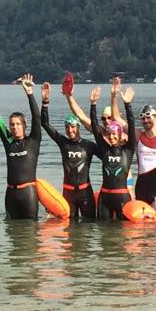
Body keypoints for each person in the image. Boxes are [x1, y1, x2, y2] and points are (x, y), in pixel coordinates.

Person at [109, 80, 156, 220]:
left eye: (148, 117)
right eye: (142, 119)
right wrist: (114, 95)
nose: (145, 121)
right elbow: (116, 118)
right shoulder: (138, 136)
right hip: (142, 188)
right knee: (141, 229)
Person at [41, 81, 99, 219]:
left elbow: (108, 157)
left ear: (78, 127)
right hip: (68, 193)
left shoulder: (89, 146)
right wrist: (45, 102)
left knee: (88, 228)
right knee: (69, 231)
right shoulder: (63, 143)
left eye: (73, 126)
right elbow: (45, 124)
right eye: (67, 127)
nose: (70, 130)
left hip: (85, 192)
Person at [0, 73, 42, 219]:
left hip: (28, 194)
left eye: (18, 124)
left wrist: (29, 93)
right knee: (13, 235)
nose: (15, 127)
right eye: (12, 125)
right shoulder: (8, 141)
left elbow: (37, 117)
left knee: (29, 234)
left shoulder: (33, 141)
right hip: (11, 195)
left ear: (24, 126)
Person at [90, 84, 136, 220]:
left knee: (122, 235)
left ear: (120, 135)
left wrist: (128, 105)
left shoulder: (128, 150)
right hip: (104, 198)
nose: (112, 137)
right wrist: (93, 104)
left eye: (115, 134)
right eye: (109, 134)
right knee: (104, 235)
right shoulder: (105, 150)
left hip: (122, 197)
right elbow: (95, 127)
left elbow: (132, 126)